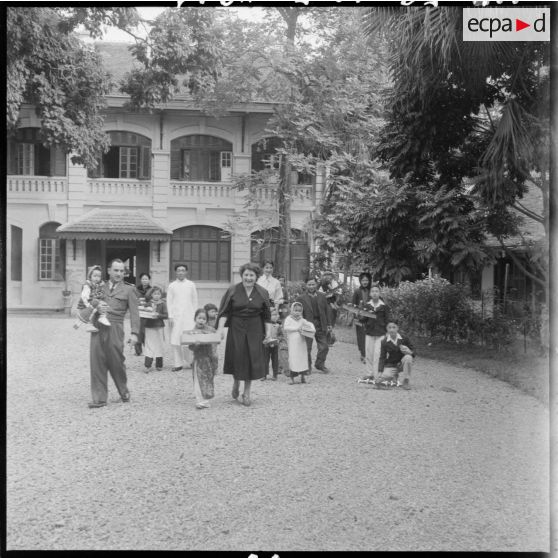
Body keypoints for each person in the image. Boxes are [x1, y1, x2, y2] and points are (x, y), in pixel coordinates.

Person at [216, 262, 273, 407]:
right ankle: (236, 382)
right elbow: (224, 312)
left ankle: (247, 392)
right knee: (237, 355)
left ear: (256, 277)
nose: (248, 278)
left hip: (255, 328)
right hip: (236, 327)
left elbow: (267, 316)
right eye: (246, 275)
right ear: (242, 276)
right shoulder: (233, 290)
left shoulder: (262, 292)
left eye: (251, 275)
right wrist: (220, 329)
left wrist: (268, 334)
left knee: (251, 358)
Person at [87, 258, 140, 408]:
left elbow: (135, 313)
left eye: (122, 271)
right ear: (109, 270)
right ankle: (99, 398)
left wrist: (135, 333)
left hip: (115, 328)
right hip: (98, 327)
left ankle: (124, 392)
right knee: (97, 361)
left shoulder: (129, 289)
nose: (118, 273)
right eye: (116, 270)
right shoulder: (98, 286)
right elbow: (88, 302)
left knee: (116, 361)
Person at [296, 277, 334, 374]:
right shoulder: (301, 298)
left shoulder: (322, 296)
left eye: (313, 284)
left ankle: (319, 364)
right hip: (307, 325)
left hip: (320, 324)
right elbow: (297, 313)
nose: (311, 286)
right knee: (307, 347)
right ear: (306, 285)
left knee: (324, 346)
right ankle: (307, 367)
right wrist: (299, 324)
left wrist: (329, 324)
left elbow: (327, 310)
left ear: (316, 285)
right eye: (309, 284)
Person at [167, 264, 198, 372]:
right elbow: (169, 302)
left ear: (186, 272)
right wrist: (170, 316)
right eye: (178, 270)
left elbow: (195, 301)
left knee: (188, 341)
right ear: (175, 272)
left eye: (183, 270)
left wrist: (196, 316)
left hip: (189, 316)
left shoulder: (191, 285)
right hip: (176, 317)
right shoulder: (172, 285)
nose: (180, 272)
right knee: (175, 340)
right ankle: (178, 364)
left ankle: (191, 361)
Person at [187, 308, 219, 409]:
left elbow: (216, 343)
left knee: (207, 379)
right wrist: (195, 344)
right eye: (199, 318)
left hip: (208, 359)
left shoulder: (210, 330)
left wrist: (215, 362)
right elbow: (190, 347)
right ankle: (200, 400)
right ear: (195, 319)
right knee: (197, 380)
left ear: (206, 320)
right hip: (198, 359)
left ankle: (206, 399)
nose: (201, 320)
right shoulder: (192, 332)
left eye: (204, 319)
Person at [362, 284, 390, 381]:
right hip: (369, 332)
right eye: (373, 291)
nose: (374, 293)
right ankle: (369, 374)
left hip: (381, 333)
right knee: (369, 354)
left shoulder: (384, 306)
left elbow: (388, 320)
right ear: (370, 293)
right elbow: (363, 319)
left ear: (379, 293)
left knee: (378, 355)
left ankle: (377, 375)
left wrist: (388, 332)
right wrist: (359, 314)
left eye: (376, 291)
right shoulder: (367, 305)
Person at [282, 302, 315, 384]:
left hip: (301, 342)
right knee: (293, 359)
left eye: (299, 311)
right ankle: (292, 378)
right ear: (292, 310)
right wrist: (296, 328)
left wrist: (311, 328)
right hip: (293, 342)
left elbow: (309, 325)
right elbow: (286, 327)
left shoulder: (302, 319)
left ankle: (303, 377)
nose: (297, 312)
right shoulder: (289, 319)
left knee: (302, 358)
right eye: (296, 310)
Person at [377, 321, 415, 389]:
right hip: (392, 365)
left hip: (402, 363)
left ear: (397, 328)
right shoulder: (384, 342)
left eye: (394, 327)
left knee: (408, 357)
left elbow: (414, 352)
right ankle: (394, 376)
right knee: (384, 377)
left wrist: (410, 352)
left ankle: (406, 380)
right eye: (389, 327)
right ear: (387, 329)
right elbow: (382, 357)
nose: (391, 329)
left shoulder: (404, 338)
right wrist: (380, 371)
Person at [73, 265, 111, 332]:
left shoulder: (99, 285)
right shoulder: (87, 285)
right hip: (86, 303)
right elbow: (84, 296)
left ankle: (102, 317)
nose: (97, 278)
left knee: (103, 304)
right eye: (95, 276)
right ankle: (89, 325)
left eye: (99, 276)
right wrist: (88, 305)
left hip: (93, 301)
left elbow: (101, 293)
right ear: (90, 276)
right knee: (91, 312)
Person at [142, 287, 168, 373]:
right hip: (149, 326)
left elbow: (166, 315)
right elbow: (143, 312)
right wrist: (146, 311)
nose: (157, 296)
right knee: (149, 344)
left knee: (159, 344)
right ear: (151, 294)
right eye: (155, 294)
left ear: (161, 295)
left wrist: (158, 315)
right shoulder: (148, 303)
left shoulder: (163, 304)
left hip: (159, 326)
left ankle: (159, 364)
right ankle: (147, 365)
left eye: (158, 294)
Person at [351, 272, 372, 363]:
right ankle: (363, 355)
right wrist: (355, 315)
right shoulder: (357, 291)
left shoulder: (372, 290)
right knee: (361, 336)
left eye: (366, 280)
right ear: (360, 281)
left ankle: (368, 354)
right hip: (359, 317)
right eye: (363, 280)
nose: (365, 282)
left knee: (369, 336)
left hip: (370, 318)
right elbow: (352, 304)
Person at [134, 273, 153, 356]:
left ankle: (148, 349)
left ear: (149, 280)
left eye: (146, 279)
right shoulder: (136, 289)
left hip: (148, 312)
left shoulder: (152, 290)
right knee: (137, 330)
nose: (144, 280)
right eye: (143, 279)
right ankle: (138, 350)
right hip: (138, 312)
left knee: (147, 331)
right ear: (140, 280)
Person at [261, 307, 281, 381]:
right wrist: (264, 339)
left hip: (275, 345)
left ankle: (275, 375)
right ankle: (264, 375)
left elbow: (281, 335)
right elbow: (262, 334)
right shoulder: (265, 325)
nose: (275, 316)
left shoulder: (279, 326)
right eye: (273, 315)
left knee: (275, 360)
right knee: (265, 360)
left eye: (276, 315)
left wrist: (278, 340)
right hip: (266, 345)